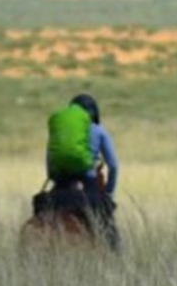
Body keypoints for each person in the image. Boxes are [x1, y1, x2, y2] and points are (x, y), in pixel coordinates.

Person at [43, 93, 121, 250]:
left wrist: (54, 177)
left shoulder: (62, 130)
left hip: (60, 184)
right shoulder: (99, 131)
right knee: (108, 228)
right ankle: (115, 253)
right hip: (88, 184)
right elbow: (113, 166)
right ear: (94, 113)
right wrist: (108, 193)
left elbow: (49, 161)